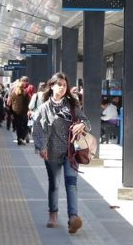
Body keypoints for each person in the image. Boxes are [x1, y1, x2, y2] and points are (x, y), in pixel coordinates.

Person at [32, 72, 91, 234]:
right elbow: (37, 130)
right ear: (51, 86)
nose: (62, 88)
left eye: (64, 85)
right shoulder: (44, 108)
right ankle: (53, 214)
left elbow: (87, 122)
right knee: (54, 184)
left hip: (71, 152)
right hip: (51, 152)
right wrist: (41, 147)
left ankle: (73, 218)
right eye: (59, 85)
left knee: (71, 183)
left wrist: (82, 126)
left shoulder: (72, 105)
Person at [9, 80, 31, 145]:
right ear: (23, 86)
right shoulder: (25, 93)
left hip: (15, 112)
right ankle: (22, 138)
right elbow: (28, 103)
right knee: (25, 126)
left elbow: (10, 104)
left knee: (18, 127)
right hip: (24, 112)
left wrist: (11, 113)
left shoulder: (13, 94)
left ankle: (19, 139)